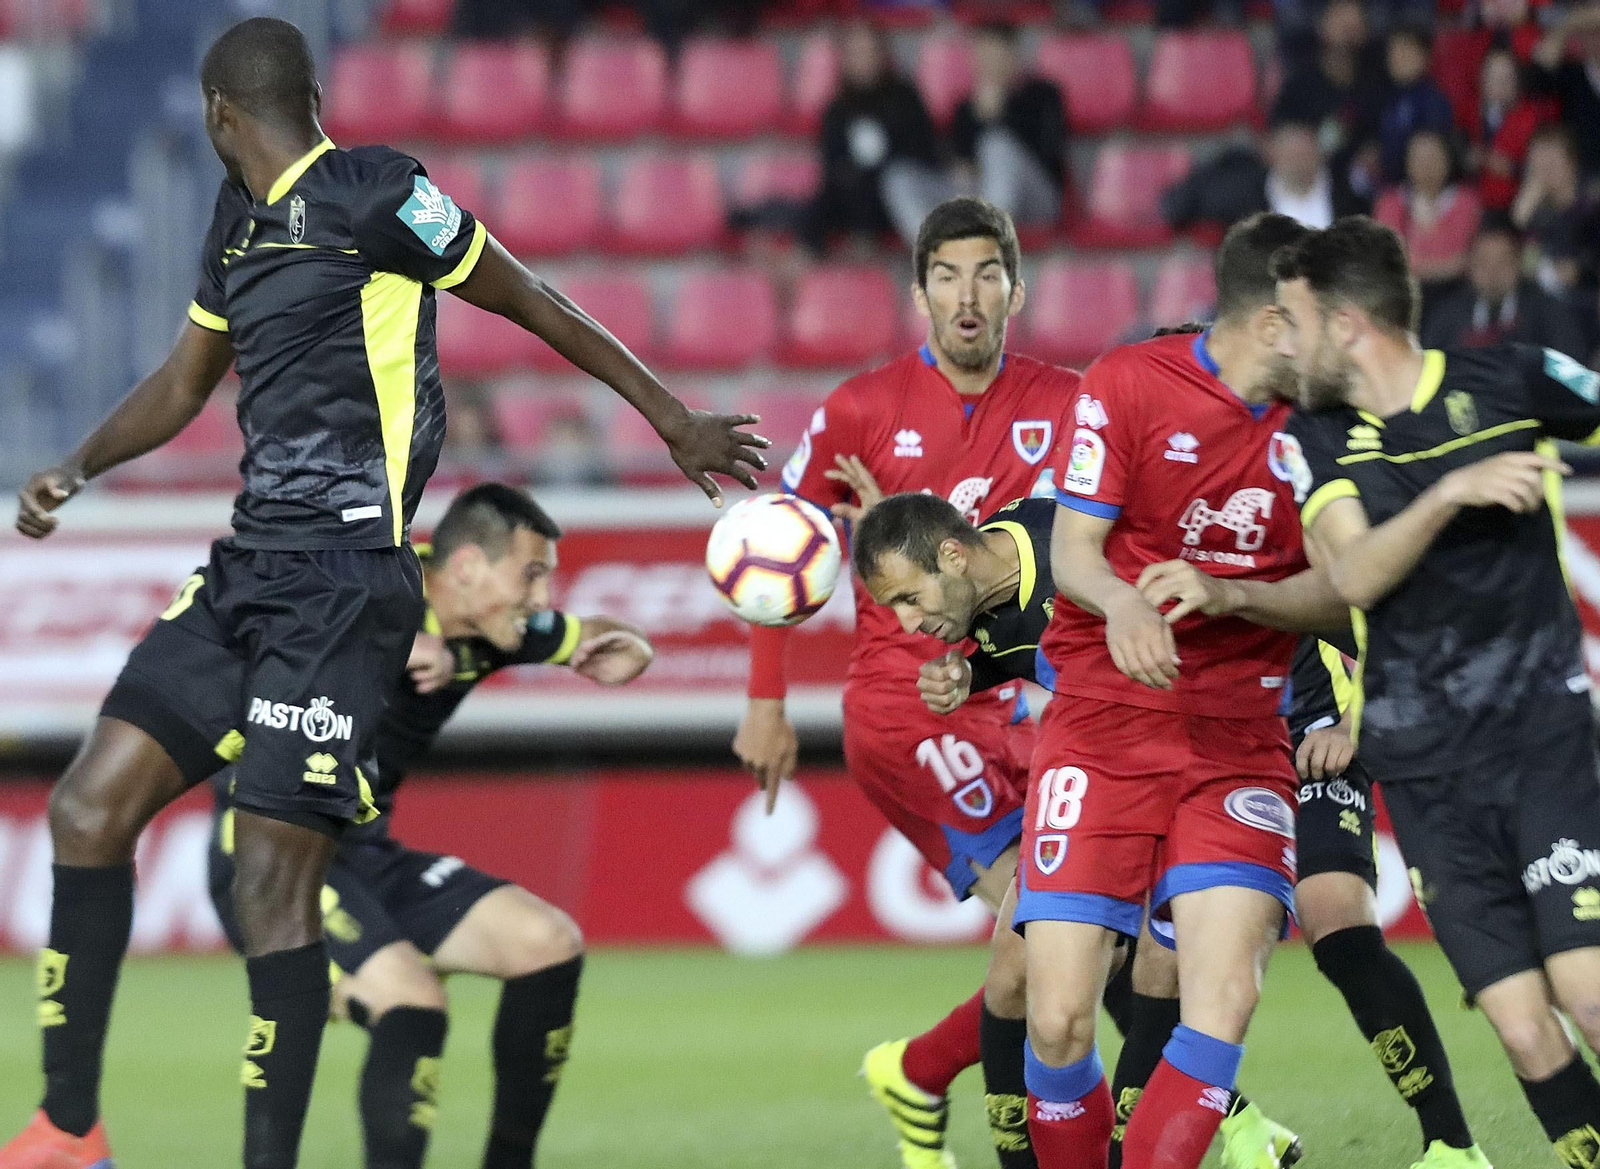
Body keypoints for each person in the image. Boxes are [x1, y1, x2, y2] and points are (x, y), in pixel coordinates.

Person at [1, 17, 763, 1169]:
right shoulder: (235, 222)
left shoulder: (380, 191)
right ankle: (68, 1126)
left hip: (350, 582)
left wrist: (671, 417)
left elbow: (529, 296)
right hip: (248, 567)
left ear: (218, 115)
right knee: (86, 811)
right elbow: (181, 380)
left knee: (271, 885)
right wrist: (79, 462)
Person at [859, 483, 1489, 1169]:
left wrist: (1355, 718)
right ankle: (1188, 1135)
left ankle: (1450, 1142)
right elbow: (1022, 645)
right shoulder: (985, 602)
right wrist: (968, 677)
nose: (908, 624)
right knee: (1066, 975)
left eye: (908, 599)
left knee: (1328, 922)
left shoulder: (1082, 539)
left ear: (953, 554)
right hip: (1155, 759)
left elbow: (1342, 602)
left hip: (1293, 723)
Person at [734, 196, 1079, 1169]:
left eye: (985, 275)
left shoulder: (1068, 401)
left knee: (1072, 934)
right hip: (906, 704)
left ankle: (924, 1071)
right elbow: (779, 544)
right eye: (945, 276)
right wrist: (765, 697)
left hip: (1024, 693)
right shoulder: (860, 406)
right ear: (916, 290)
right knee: (1052, 924)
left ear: (1018, 287)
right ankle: (1182, 1117)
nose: (966, 298)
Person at [1014, 212, 1346, 1169]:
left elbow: (1347, 595)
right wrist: (1123, 603)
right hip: (1104, 724)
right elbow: (1072, 545)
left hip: (1240, 735)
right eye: (1322, 313)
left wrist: (1234, 591)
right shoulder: (1127, 382)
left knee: (1222, 1001)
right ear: (1276, 319)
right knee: (1063, 1019)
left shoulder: (1326, 425)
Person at [1274, 214, 1600, 1169]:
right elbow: (1354, 572)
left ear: (1346, 325)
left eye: (1294, 318)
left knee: (1586, 994)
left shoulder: (1515, 377)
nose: (1282, 342)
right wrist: (1451, 493)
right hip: (1424, 772)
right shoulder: (1315, 440)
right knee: (1525, 1031)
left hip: (1542, 741)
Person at [206, 483, 649, 1169]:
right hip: (270, 853)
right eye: (531, 573)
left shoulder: (493, 629)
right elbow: (289, 612)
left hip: (361, 852)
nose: (540, 596)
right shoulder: (374, 577)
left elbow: (578, 632)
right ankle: (338, 991)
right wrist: (396, 638)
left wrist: (621, 647)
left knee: (547, 942)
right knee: (415, 1001)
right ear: (468, 565)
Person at [803, 20, 946, 253]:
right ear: (845, 60)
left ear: (882, 54)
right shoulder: (837, 109)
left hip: (892, 201)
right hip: (853, 200)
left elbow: (922, 157)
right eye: (856, 53)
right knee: (825, 197)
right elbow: (832, 165)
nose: (863, 60)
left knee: (890, 182)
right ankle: (804, 259)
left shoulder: (906, 98)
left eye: (869, 51)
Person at [949, 21, 1068, 228]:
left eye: (995, 57)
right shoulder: (966, 108)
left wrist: (1000, 115)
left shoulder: (1043, 94)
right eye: (982, 57)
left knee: (997, 145)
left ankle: (990, 235)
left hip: (1040, 202)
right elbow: (964, 167)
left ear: (1013, 56)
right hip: (982, 195)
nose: (988, 65)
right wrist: (981, 119)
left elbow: (1050, 153)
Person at [1422, 219, 1591, 357]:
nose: (1493, 272)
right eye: (1483, 263)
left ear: (1518, 265)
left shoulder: (1548, 312)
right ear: (1470, 267)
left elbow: (1570, 363)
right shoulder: (1447, 316)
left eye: (1503, 262)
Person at [1373, 129, 1483, 290]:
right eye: (1419, 157)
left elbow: (1463, 261)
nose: (1426, 165)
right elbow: (1388, 262)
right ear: (1407, 161)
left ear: (1448, 159)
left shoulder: (1467, 202)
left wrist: (1413, 266)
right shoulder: (1390, 203)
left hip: (1456, 292)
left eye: (1432, 156)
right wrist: (1444, 267)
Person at [1470, 46, 1551, 212]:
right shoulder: (1472, 112)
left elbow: (1545, 167)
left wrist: (1512, 168)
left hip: (1517, 205)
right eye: (1492, 77)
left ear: (1517, 80)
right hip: (1478, 204)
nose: (1498, 84)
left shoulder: (1532, 118)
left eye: (1505, 78)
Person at [1375, 25, 1457, 186]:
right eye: (1393, 50)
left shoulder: (1434, 101)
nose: (1398, 56)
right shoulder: (1384, 98)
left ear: (1424, 56)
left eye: (1405, 49)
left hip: (1422, 189)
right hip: (1389, 188)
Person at [1529, 2, 1600, 178]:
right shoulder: (1570, 73)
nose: (1595, 38)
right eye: (1589, 32)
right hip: (1580, 179)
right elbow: (1537, 81)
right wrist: (1568, 25)